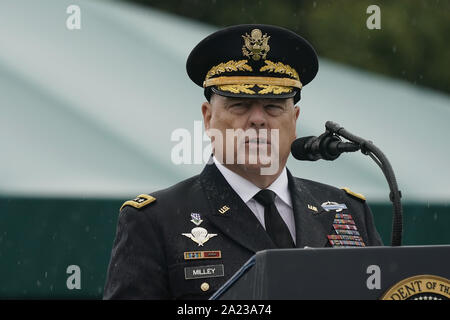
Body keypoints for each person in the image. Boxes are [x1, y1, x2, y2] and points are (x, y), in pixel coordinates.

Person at [103, 24, 383, 300]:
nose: (258, 120)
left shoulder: (346, 212)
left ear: (294, 121)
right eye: (239, 105)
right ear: (208, 118)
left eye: (273, 106)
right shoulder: (156, 221)